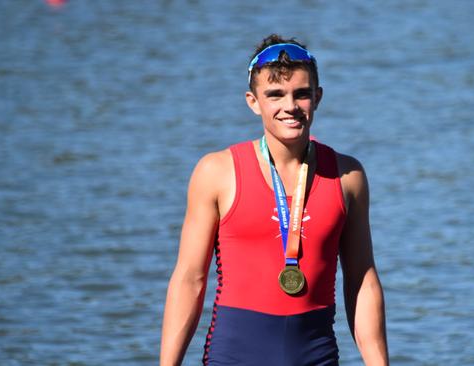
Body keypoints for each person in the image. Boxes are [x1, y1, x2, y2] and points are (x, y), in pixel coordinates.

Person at [160, 34, 388, 366]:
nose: (290, 106)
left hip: (317, 357)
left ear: (318, 97)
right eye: (275, 95)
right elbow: (189, 279)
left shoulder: (347, 176)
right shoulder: (217, 172)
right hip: (233, 356)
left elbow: (362, 281)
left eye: (301, 94)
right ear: (253, 101)